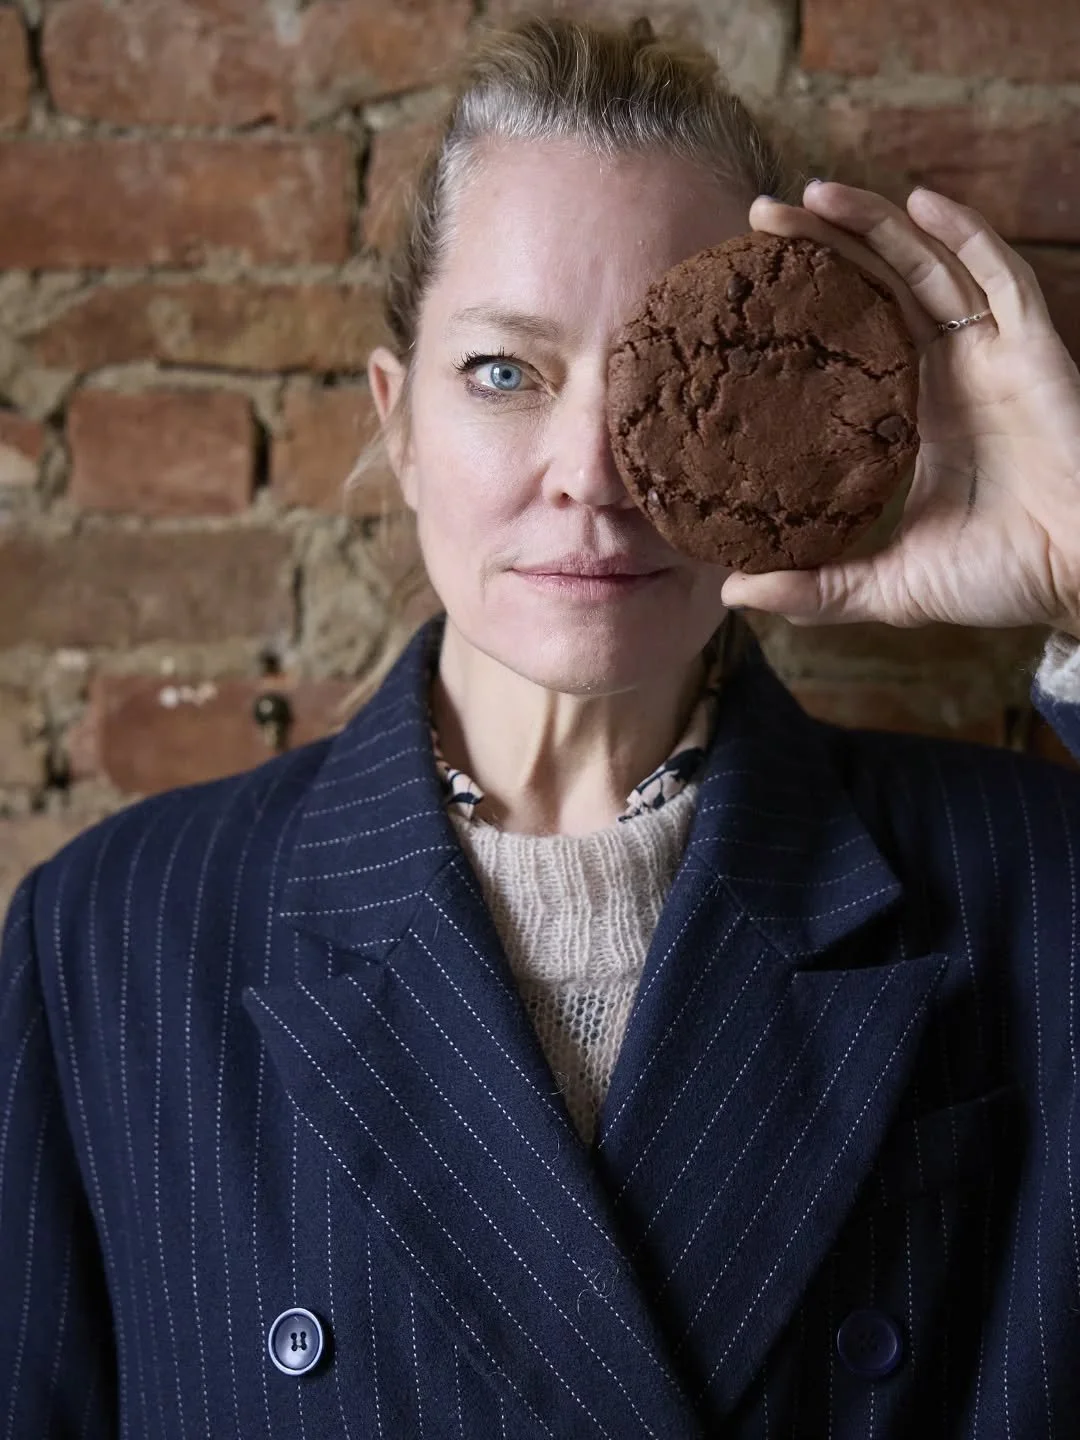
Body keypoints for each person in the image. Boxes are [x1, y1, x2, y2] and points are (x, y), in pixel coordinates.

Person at [3, 11, 1080, 1437]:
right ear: (397, 422)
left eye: (668, 384)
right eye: (505, 373)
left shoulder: (1037, 884)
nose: (592, 474)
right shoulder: (113, 939)